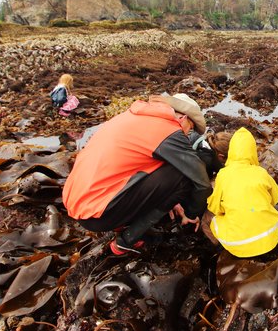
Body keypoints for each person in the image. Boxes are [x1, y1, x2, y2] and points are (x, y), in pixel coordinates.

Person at [62, 93, 214, 256]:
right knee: (183, 175)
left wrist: (170, 197)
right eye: (189, 129)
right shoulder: (169, 129)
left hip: (75, 202)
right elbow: (201, 182)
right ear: (183, 117)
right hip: (99, 214)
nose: (186, 135)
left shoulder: (130, 117)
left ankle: (122, 224)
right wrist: (192, 213)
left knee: (169, 166)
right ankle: (125, 242)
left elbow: (133, 166)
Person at [205, 127, 278, 258]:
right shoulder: (261, 173)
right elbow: (275, 198)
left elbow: (215, 207)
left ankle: (218, 249)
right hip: (270, 239)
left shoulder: (223, 175)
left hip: (237, 245)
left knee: (208, 218)